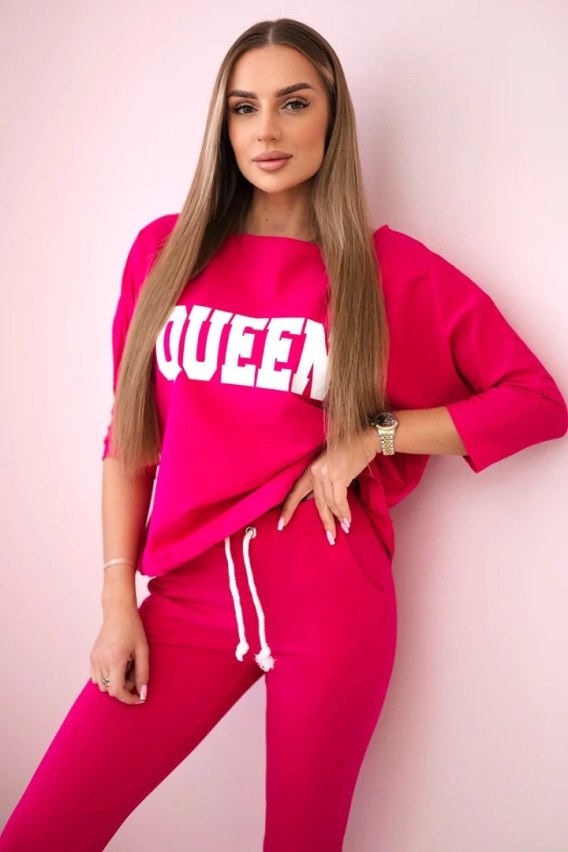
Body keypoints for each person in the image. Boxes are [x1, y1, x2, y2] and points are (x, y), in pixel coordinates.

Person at [1, 17, 567, 852]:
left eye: (293, 104)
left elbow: (536, 401)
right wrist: (118, 602)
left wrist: (375, 434)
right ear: (223, 125)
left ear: (332, 117)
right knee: (41, 832)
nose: (266, 130)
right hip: (188, 599)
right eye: (244, 108)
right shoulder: (164, 254)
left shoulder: (388, 272)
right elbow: (130, 439)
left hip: (331, 602)